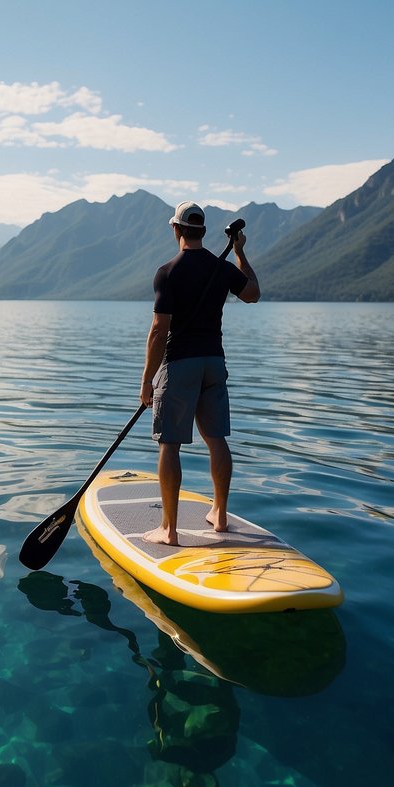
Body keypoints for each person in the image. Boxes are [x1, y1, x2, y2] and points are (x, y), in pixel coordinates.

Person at [139, 201, 260, 546]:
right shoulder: (221, 269)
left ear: (175, 229)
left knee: (170, 444)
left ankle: (169, 529)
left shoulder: (168, 272)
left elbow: (159, 331)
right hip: (214, 363)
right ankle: (219, 515)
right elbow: (253, 293)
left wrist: (147, 380)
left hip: (180, 365)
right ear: (203, 232)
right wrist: (240, 254)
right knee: (216, 439)